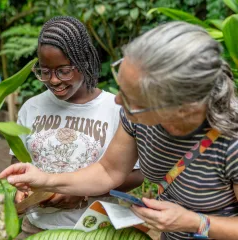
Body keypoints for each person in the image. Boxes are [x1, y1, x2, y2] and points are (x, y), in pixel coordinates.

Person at [0, 21, 238, 240]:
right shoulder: (136, 119)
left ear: (177, 107)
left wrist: (195, 222)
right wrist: (46, 180)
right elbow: (107, 171)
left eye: (131, 98)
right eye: (120, 87)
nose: (117, 101)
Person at [9, 16, 144, 239]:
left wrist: (81, 191)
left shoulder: (114, 108)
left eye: (63, 70)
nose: (53, 80)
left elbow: (136, 175)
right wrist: (21, 189)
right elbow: (19, 162)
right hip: (37, 229)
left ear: (83, 62)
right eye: (44, 71)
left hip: (95, 229)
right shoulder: (31, 108)